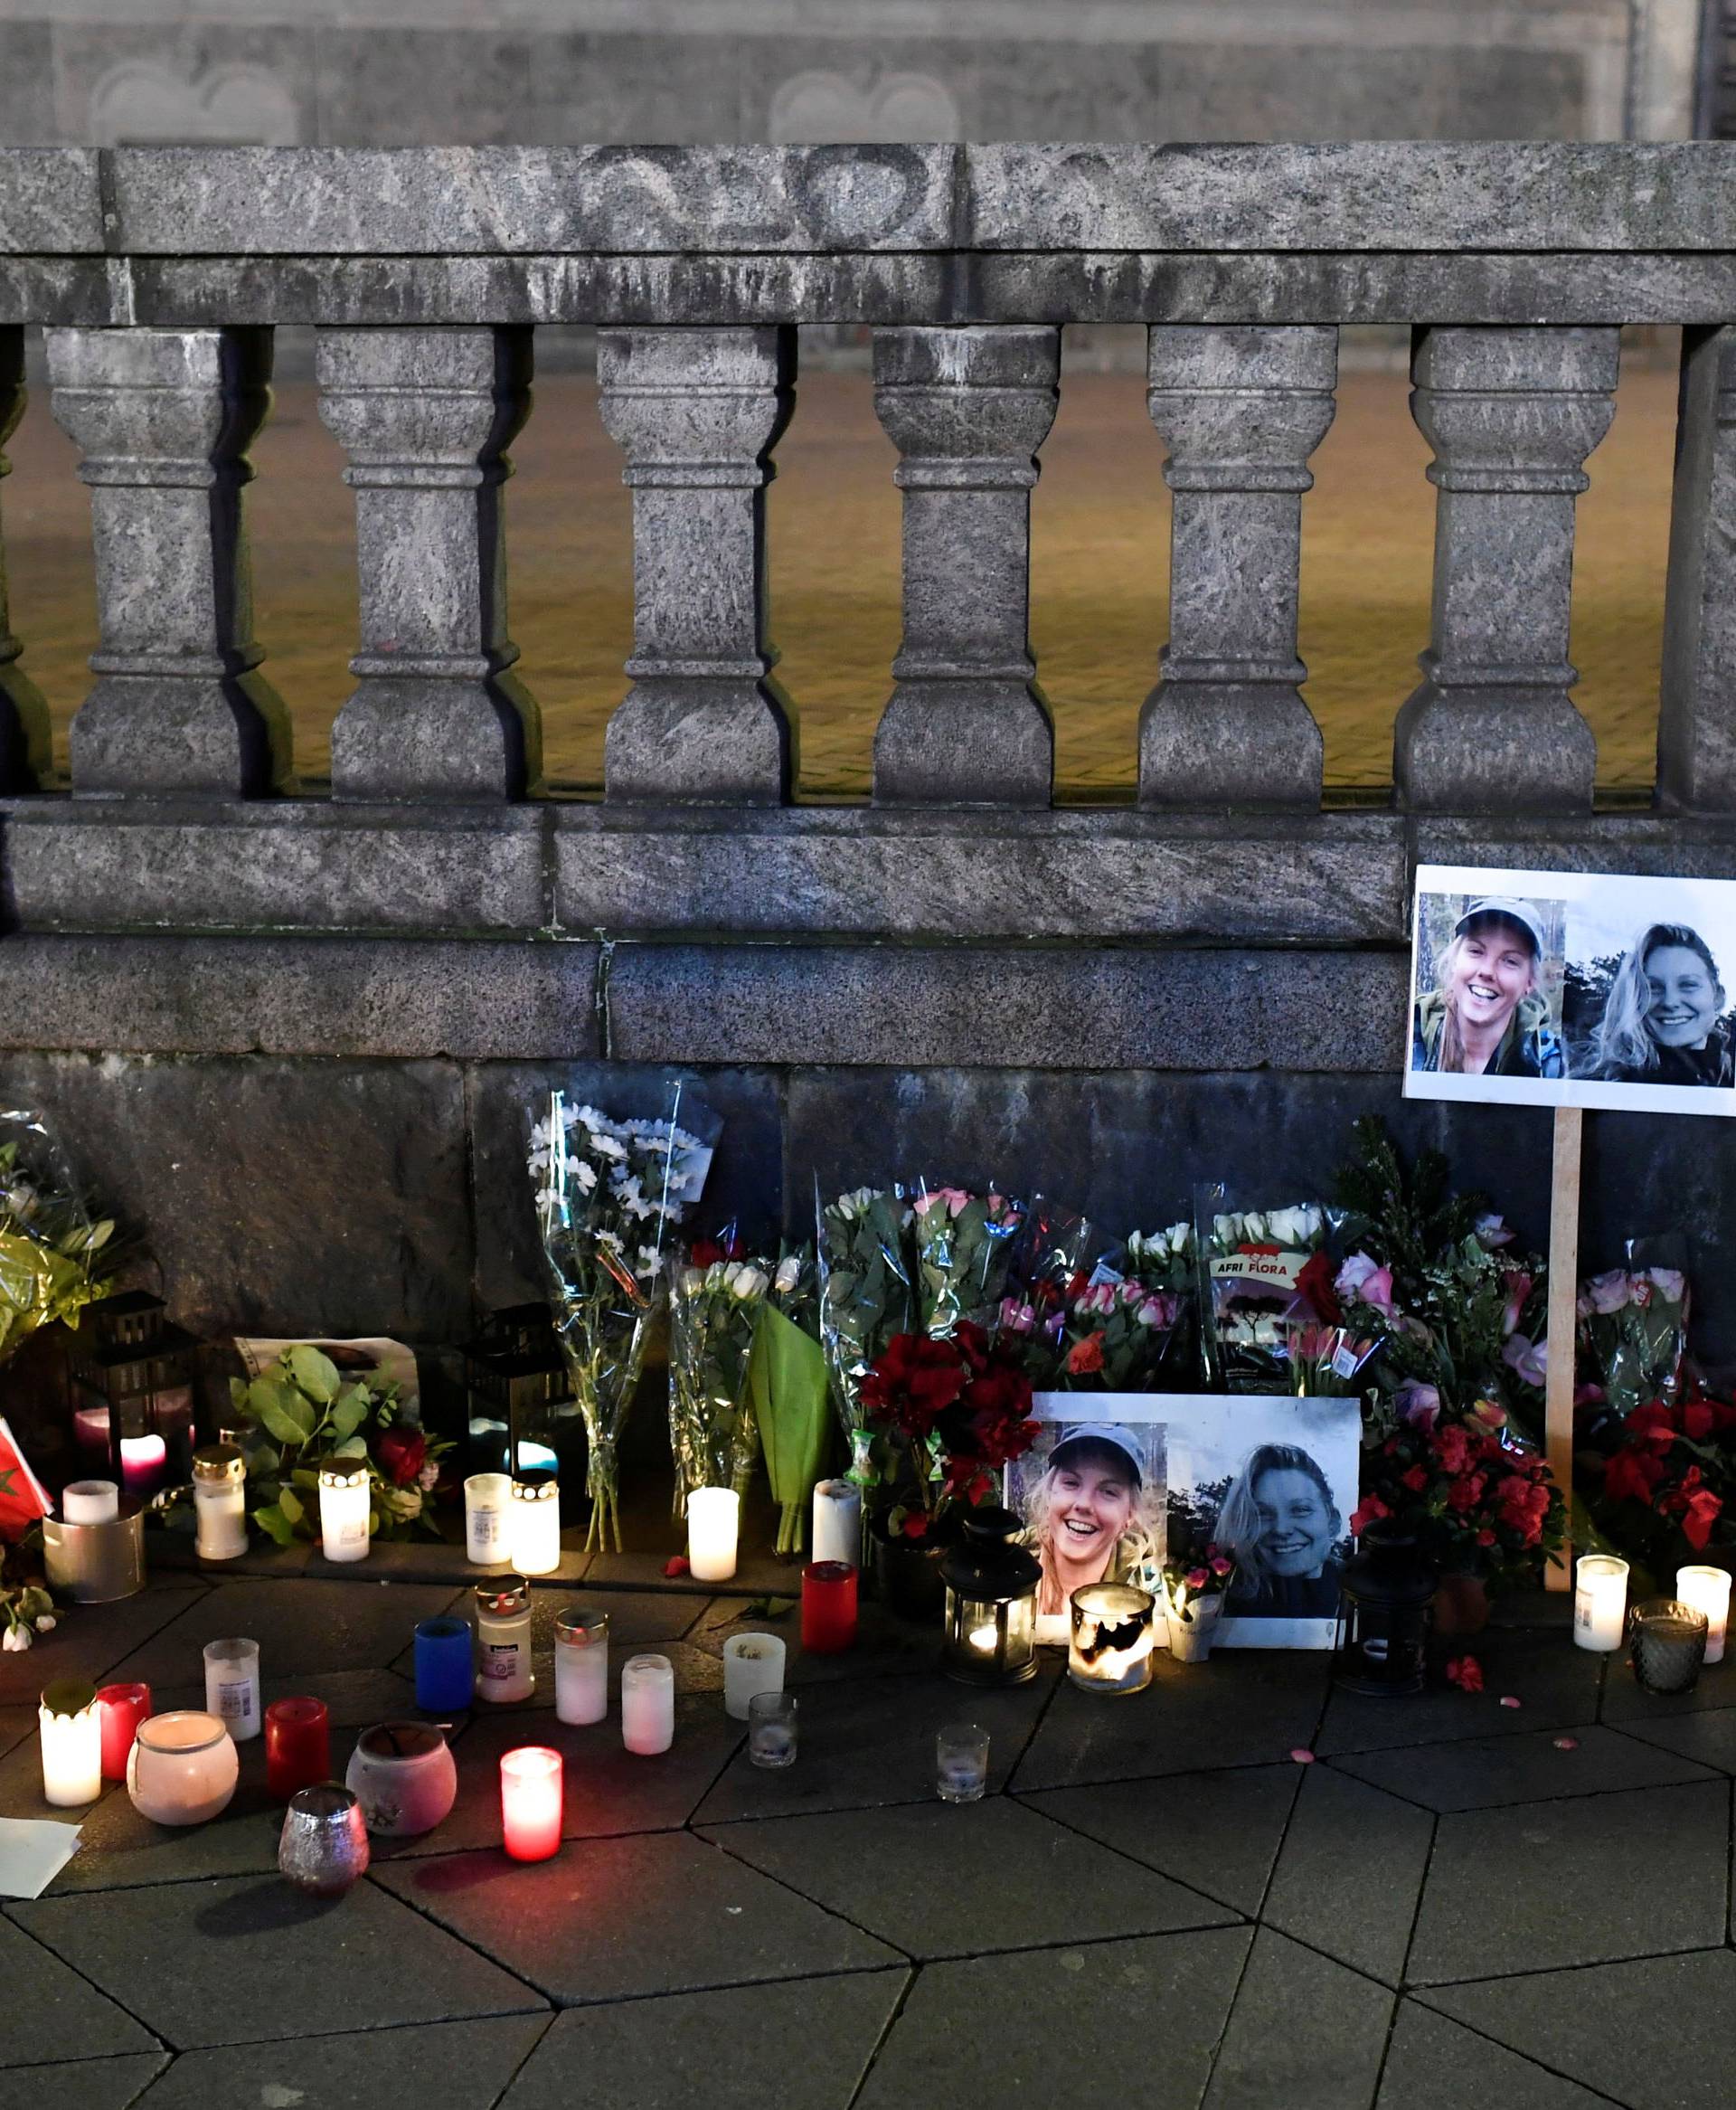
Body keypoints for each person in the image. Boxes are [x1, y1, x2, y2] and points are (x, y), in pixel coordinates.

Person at [1411, 896, 1565, 1079]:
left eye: (1510, 961)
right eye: (1476, 951)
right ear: (1454, 962)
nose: (1487, 971)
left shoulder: (1550, 1064)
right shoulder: (1411, 1033)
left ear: (1529, 982)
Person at [1020, 1424, 1158, 1620]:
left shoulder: (1152, 1595)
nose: (1084, 1504)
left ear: (1129, 1516)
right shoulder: (1003, 1569)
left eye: (1108, 1492)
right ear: (1050, 1494)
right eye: (1071, 1483)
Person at [1587, 923, 1735, 1089]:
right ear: (1633, 999)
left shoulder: (1727, 1080)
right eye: (1653, 987)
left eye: (1688, 984)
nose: (1670, 1002)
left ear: (1718, 996)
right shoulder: (1598, 1087)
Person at [1215, 1443, 1343, 1618]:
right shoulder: (1221, 1599)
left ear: (1330, 1516)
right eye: (1263, 1513)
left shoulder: (1357, 1595)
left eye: (1300, 1510)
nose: (1281, 1529)